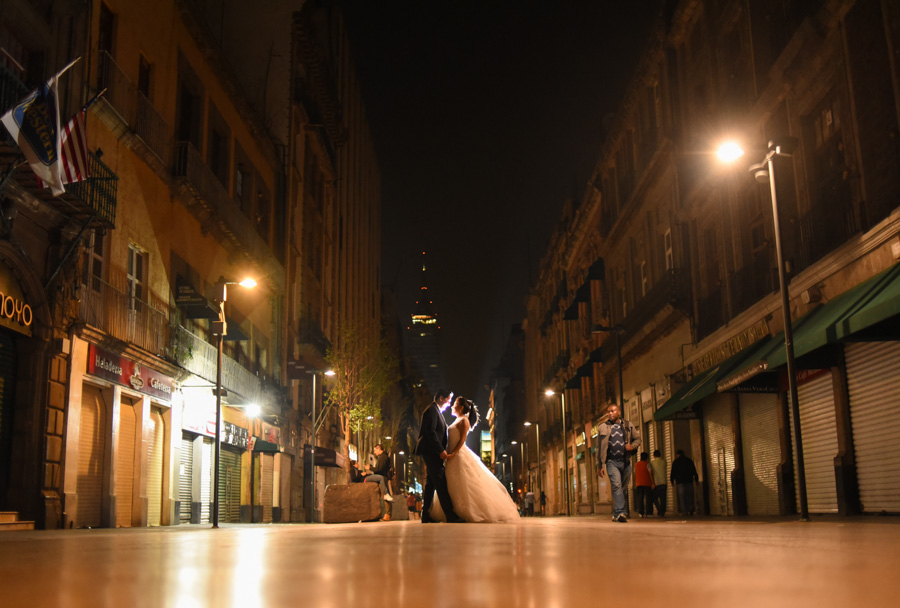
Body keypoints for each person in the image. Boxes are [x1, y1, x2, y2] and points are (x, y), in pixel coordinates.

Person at [430, 396, 520, 523]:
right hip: (451, 456)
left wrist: (453, 453)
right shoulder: (457, 420)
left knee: (464, 482)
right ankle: (451, 511)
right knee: (452, 483)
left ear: (461, 407)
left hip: (457, 455)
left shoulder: (464, 421)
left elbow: (462, 440)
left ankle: (467, 511)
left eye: (455, 404)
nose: (452, 406)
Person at [414, 389, 465, 523]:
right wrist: (440, 450)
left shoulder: (435, 411)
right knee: (441, 482)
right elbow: (431, 432)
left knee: (431, 484)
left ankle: (426, 516)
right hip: (432, 452)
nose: (449, 403)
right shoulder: (432, 410)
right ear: (441, 398)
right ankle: (450, 515)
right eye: (448, 400)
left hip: (432, 452)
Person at [596, 404, 641, 523]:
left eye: (612, 411)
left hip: (625, 461)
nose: (610, 413)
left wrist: (632, 446)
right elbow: (599, 448)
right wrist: (599, 465)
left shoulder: (627, 425)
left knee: (623, 489)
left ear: (618, 412)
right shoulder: (602, 427)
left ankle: (616, 513)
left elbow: (638, 439)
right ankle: (621, 512)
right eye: (608, 412)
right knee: (616, 486)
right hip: (611, 462)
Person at [670, 449, 699, 516]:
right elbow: (694, 471)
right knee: (690, 496)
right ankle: (691, 509)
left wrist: (672, 480)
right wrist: (696, 480)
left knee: (682, 497)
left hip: (680, 482)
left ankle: (684, 511)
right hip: (689, 481)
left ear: (677, 454)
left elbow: (673, 472)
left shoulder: (676, 462)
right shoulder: (689, 461)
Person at [634, 452, 654, 518]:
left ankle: (640, 512)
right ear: (646, 458)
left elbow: (635, 474)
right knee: (648, 499)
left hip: (639, 484)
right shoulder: (647, 464)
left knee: (640, 499)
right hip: (647, 483)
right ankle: (649, 513)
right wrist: (653, 483)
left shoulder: (636, 464)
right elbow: (650, 474)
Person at [649, 449, 667, 517]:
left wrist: (652, 483)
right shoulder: (664, 461)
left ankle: (659, 509)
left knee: (654, 498)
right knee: (663, 499)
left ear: (653, 455)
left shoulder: (651, 463)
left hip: (656, 483)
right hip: (664, 482)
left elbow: (651, 473)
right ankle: (662, 512)